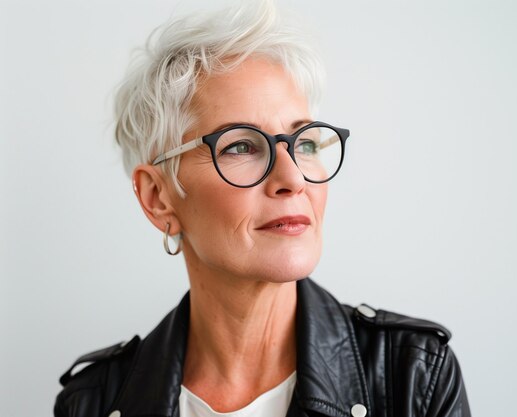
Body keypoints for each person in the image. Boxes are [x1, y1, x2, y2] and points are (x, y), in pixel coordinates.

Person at [54, 1, 471, 416]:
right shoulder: (91, 402)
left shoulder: (414, 375)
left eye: (304, 143)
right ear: (158, 197)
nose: (293, 179)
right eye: (241, 146)